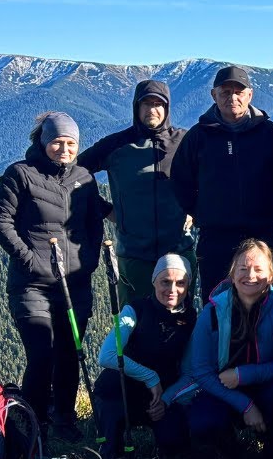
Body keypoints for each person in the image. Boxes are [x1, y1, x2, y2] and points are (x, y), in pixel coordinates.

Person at [0, 111, 111, 441]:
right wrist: (30, 261)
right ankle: (35, 421)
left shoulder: (84, 178)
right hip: (32, 283)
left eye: (71, 143)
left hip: (75, 283)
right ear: (43, 142)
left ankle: (65, 419)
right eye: (58, 141)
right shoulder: (20, 174)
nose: (65, 148)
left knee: (70, 353)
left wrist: (89, 261)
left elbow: (94, 224)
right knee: (42, 354)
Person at [164, 239, 273, 459]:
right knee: (204, 420)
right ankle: (230, 456)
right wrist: (245, 405)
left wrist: (244, 375)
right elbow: (201, 371)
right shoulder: (213, 311)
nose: (250, 275)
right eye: (243, 269)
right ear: (232, 276)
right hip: (220, 386)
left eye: (258, 269)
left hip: (265, 384)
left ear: (272, 276)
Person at [171, 65, 273, 303]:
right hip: (216, 237)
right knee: (216, 303)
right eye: (225, 92)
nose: (232, 97)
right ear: (214, 95)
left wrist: (264, 208)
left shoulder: (269, 133)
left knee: (265, 303)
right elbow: (181, 180)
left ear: (250, 95)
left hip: (262, 233)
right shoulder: (198, 136)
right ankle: (219, 342)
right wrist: (202, 212)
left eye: (238, 92)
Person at [78, 79, 196, 307]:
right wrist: (106, 210)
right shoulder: (116, 145)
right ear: (136, 107)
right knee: (133, 321)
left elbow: (212, 176)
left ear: (167, 108)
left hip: (178, 250)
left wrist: (196, 208)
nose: (152, 110)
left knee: (181, 320)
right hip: (134, 254)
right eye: (146, 104)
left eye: (158, 104)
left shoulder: (185, 141)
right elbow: (76, 174)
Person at [94, 253, 195, 459]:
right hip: (123, 390)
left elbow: (191, 372)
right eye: (165, 282)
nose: (173, 290)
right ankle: (113, 450)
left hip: (161, 395)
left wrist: (166, 400)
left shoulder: (191, 319)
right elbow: (107, 355)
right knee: (110, 395)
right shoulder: (134, 311)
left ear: (188, 285)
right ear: (154, 281)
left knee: (174, 446)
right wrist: (150, 377)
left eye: (180, 283)